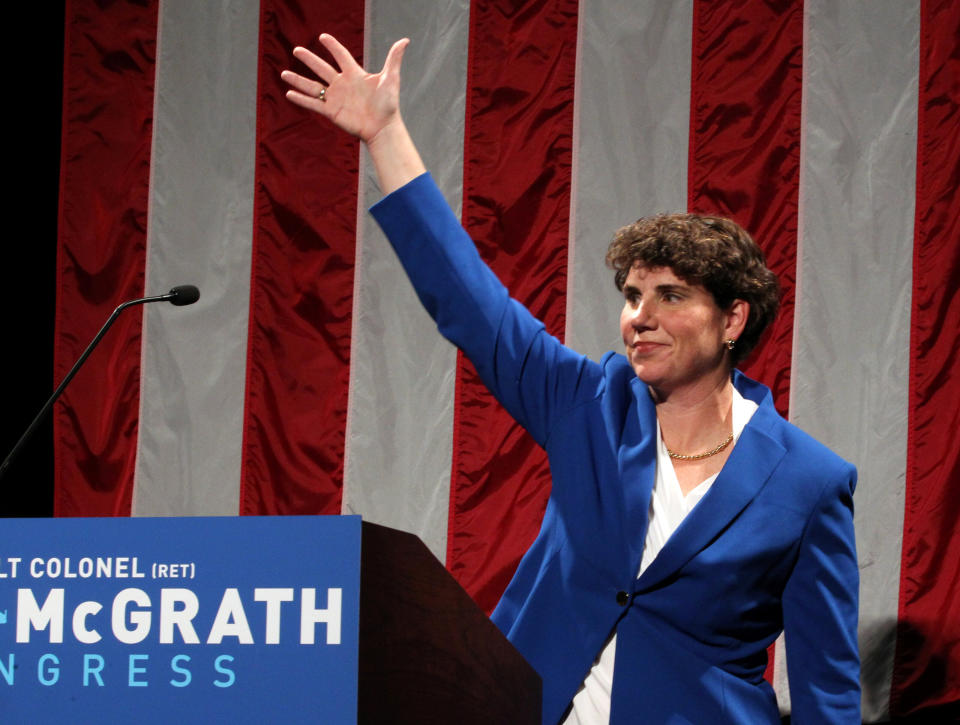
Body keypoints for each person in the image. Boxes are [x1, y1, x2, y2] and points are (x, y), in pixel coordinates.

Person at [282, 34, 860, 724]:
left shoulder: (810, 482)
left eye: (671, 296)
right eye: (632, 296)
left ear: (732, 318)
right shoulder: (591, 404)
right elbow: (473, 305)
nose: (640, 317)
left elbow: (828, 691)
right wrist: (385, 134)